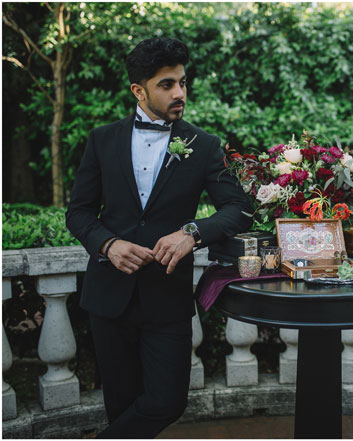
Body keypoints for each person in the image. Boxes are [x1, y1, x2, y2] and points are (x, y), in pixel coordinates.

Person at [66, 37, 253, 438]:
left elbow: (239, 209)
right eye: (166, 85)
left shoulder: (204, 145)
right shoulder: (102, 140)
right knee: (121, 408)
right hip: (108, 297)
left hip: (166, 298)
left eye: (182, 82)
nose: (179, 93)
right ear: (139, 90)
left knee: (167, 402)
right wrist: (109, 244)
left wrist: (192, 233)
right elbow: (78, 212)